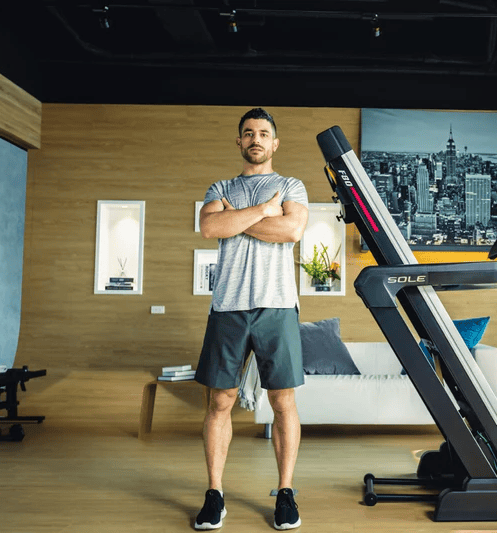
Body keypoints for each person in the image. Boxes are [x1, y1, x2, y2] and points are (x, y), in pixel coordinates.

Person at [193, 108, 309, 531]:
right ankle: (214, 494)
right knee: (220, 401)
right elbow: (209, 229)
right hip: (228, 308)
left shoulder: (291, 185)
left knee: (283, 402)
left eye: (263, 133)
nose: (255, 139)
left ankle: (285, 493)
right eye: (248, 133)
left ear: (275, 143)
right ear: (238, 142)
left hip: (277, 306)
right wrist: (264, 210)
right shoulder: (220, 186)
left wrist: (235, 220)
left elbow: (291, 232)